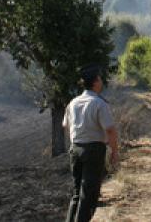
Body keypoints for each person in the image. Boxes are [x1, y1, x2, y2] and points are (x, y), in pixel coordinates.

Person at [63, 64, 119, 222]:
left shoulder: (73, 102)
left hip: (75, 149)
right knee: (89, 194)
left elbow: (65, 125)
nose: (101, 82)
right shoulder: (99, 103)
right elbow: (110, 130)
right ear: (95, 82)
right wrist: (114, 152)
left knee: (77, 193)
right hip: (93, 150)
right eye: (100, 79)